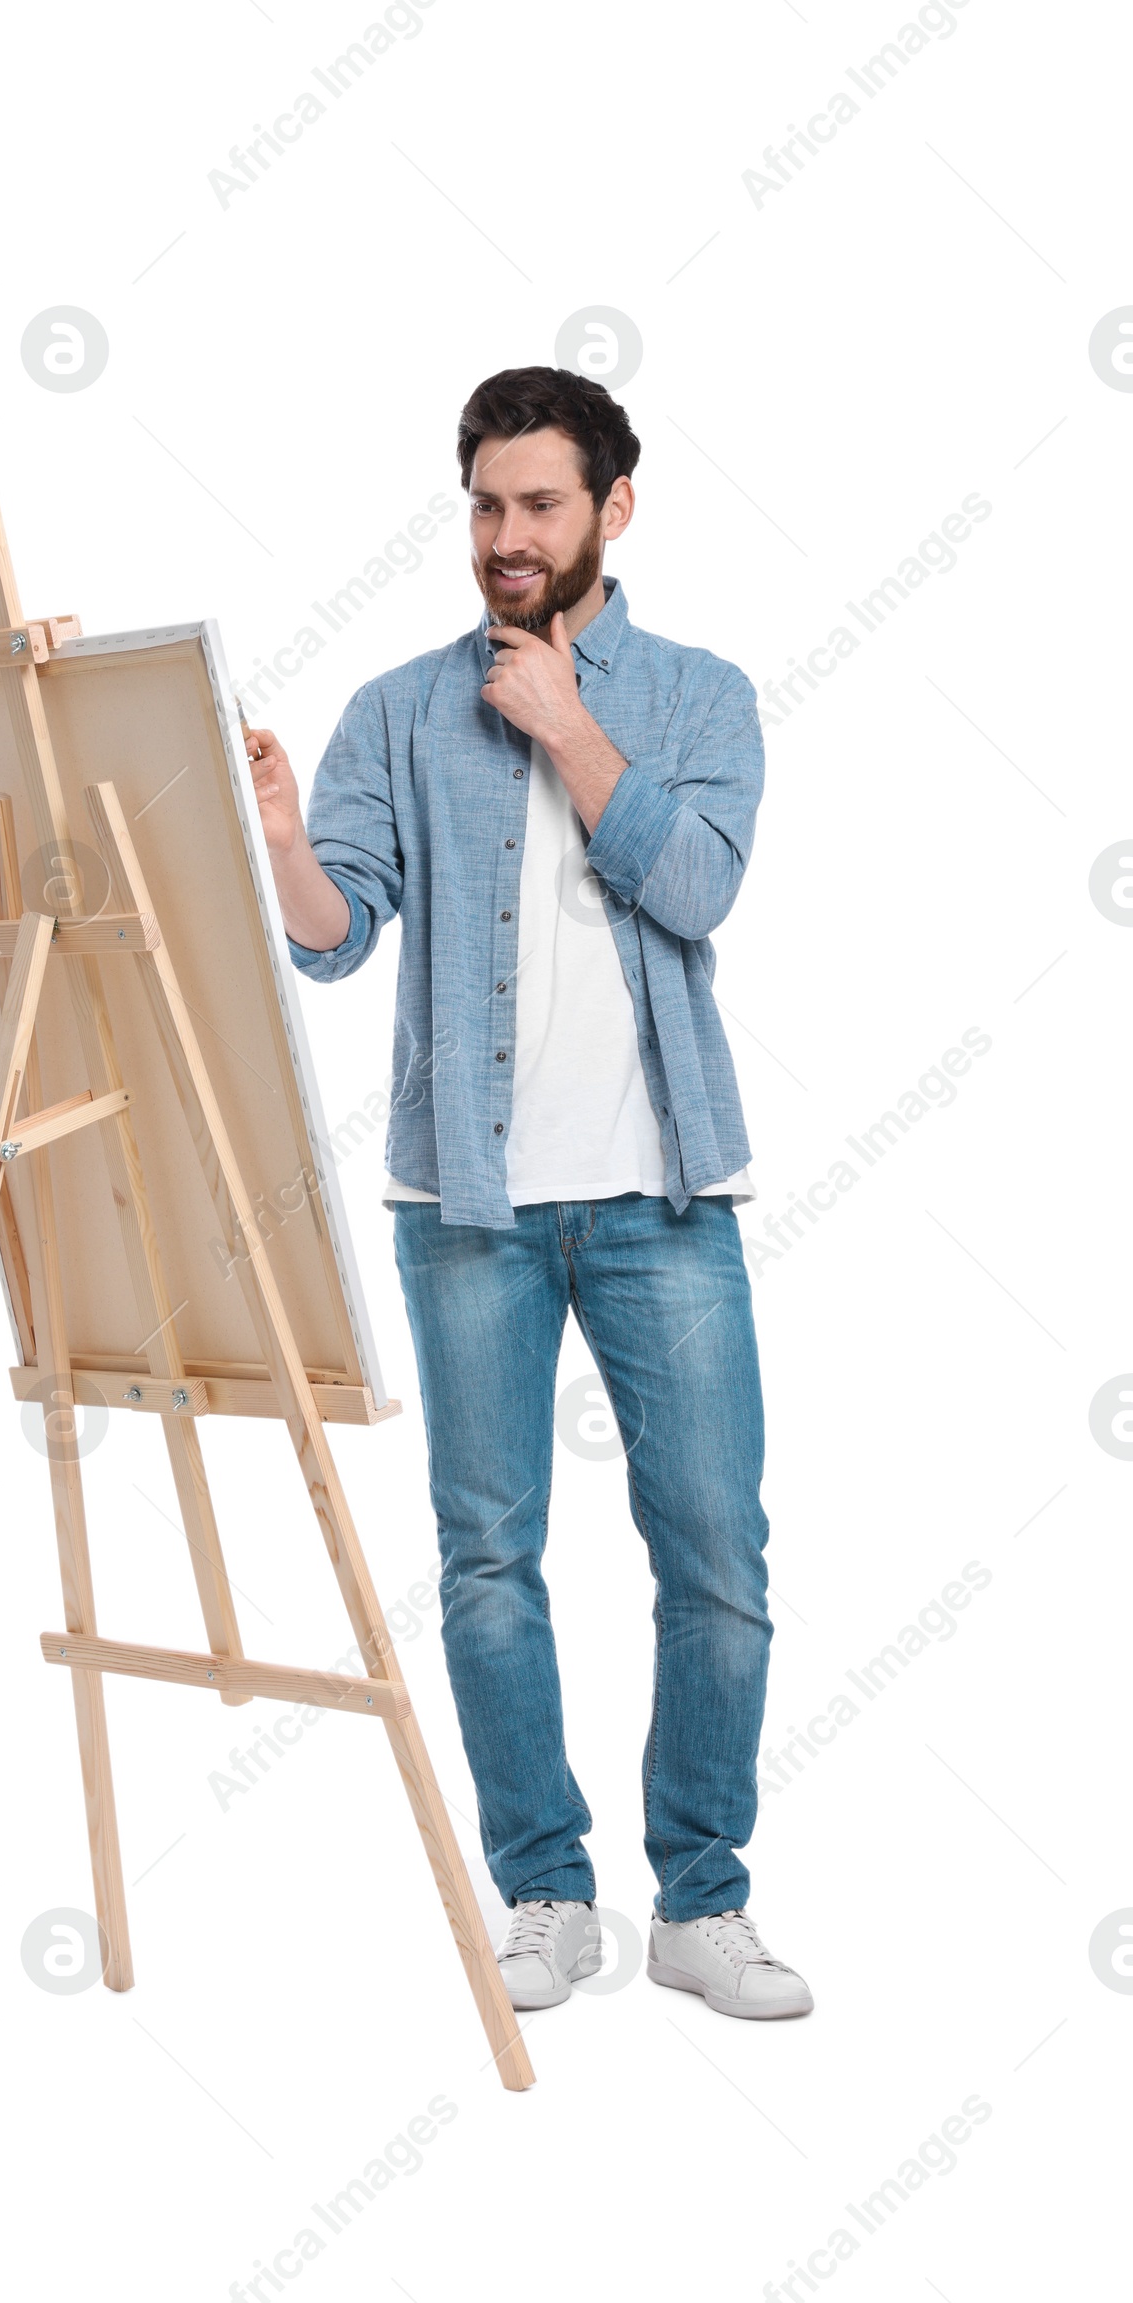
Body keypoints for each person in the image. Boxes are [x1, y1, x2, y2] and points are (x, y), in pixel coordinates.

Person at [246, 366, 810, 2022]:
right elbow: (333, 940)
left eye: (540, 505)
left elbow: (698, 889)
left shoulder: (700, 697)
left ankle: (702, 1904)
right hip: (471, 1213)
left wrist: (568, 724)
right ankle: (545, 1892)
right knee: (488, 1559)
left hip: (663, 1204)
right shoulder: (398, 709)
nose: (506, 537)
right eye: (486, 504)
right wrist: (285, 835)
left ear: (611, 511)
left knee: (716, 1554)